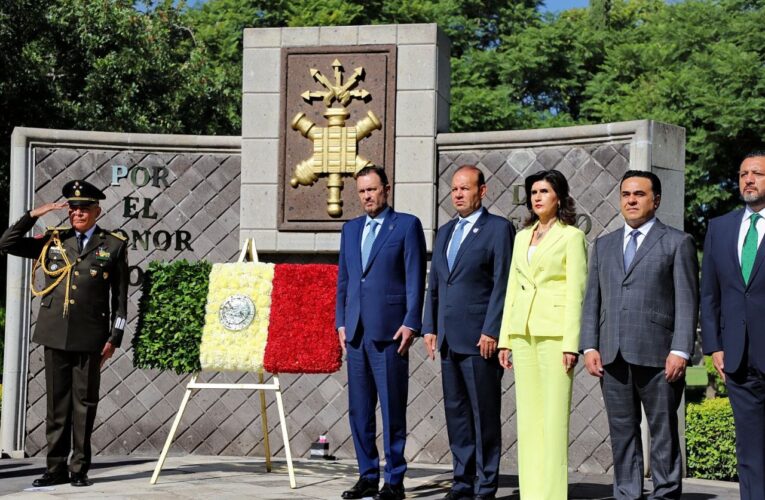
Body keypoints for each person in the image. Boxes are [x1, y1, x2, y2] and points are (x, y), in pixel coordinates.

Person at [0, 179, 128, 488]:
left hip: (91, 337)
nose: (77, 213)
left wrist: (115, 338)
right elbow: (7, 243)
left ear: (96, 211)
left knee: (84, 405)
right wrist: (33, 213)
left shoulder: (113, 244)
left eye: (84, 209)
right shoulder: (54, 240)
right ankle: (54, 469)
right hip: (54, 333)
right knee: (56, 406)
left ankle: (78, 469)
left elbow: (121, 299)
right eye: (73, 208)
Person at [580, 171, 698, 499]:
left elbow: (688, 301)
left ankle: (666, 493)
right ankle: (627, 493)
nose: (631, 200)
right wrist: (589, 345)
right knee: (622, 433)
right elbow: (593, 300)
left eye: (639, 194)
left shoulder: (677, 242)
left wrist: (681, 351)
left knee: (663, 434)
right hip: (612, 355)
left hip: (660, 356)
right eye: (626, 194)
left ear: (655, 200)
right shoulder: (603, 245)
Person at [422, 165, 514, 500]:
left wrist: (493, 330)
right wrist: (430, 326)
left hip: (480, 341)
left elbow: (503, 284)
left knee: (484, 414)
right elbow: (435, 284)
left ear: (482, 191)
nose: (458, 194)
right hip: (448, 339)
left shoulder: (498, 229)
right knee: (457, 413)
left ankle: (486, 484)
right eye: (454, 189)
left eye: (465, 188)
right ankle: (462, 480)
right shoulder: (445, 231)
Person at [335, 166, 426, 500]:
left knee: (392, 409)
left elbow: (416, 277)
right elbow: (344, 279)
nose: (367, 197)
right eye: (361, 191)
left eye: (372, 190)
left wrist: (412, 322)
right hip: (356, 332)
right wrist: (340, 322)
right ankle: (367, 475)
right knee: (359, 410)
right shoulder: (350, 229)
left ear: (386, 189)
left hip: (390, 332)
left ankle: (395, 481)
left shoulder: (406, 225)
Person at [497, 169, 587, 499]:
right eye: (533, 192)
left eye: (544, 191)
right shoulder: (522, 237)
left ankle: (551, 494)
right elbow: (511, 290)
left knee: (553, 421)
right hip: (522, 333)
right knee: (529, 421)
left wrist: (570, 343)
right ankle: (531, 493)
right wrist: (506, 337)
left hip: (554, 336)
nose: (537, 197)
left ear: (558, 197)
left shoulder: (572, 237)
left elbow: (576, 292)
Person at [701, 151, 765, 500]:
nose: (748, 180)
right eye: (743, 174)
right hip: (738, 358)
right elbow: (709, 294)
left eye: (757, 173)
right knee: (750, 450)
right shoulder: (720, 228)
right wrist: (715, 346)